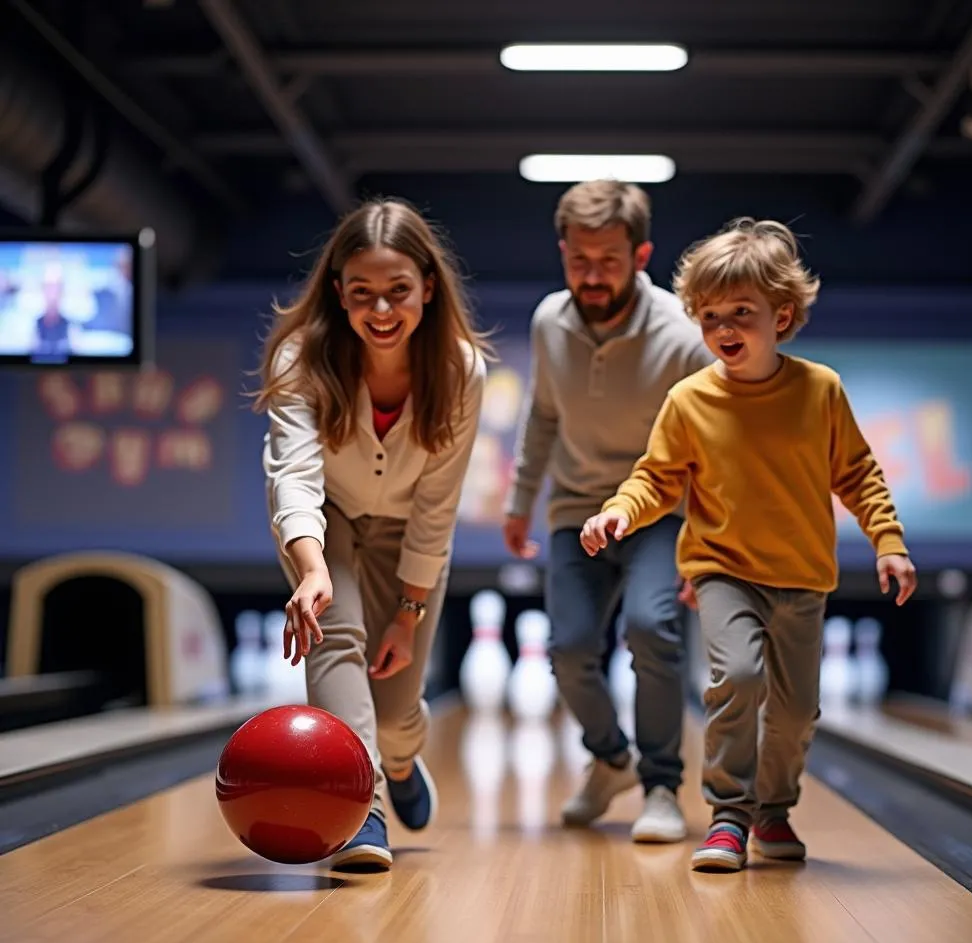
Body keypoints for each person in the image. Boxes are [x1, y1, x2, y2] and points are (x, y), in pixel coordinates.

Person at [581, 217, 917, 871]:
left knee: (793, 714)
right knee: (736, 679)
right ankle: (728, 815)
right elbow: (656, 478)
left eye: (742, 313)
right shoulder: (690, 399)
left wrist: (889, 542)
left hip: (803, 578)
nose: (725, 329)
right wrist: (619, 512)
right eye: (710, 317)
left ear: (782, 314)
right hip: (722, 571)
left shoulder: (820, 391)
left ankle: (773, 810)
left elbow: (858, 475)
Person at [253, 198, 490, 869]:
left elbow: (438, 505)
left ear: (428, 289)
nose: (381, 312)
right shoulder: (303, 357)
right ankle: (364, 812)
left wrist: (409, 615)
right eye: (363, 295)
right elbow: (294, 477)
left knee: (393, 711)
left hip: (408, 533)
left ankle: (403, 761)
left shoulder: (461, 370)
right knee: (337, 644)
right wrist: (312, 570)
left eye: (397, 293)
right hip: (323, 522)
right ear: (338, 293)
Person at [503, 180, 711, 843]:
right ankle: (611, 758)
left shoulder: (682, 334)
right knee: (566, 650)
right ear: (563, 251)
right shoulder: (547, 321)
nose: (592, 277)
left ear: (641, 253)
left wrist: (708, 543)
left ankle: (659, 787)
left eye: (609, 262)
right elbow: (541, 416)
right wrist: (518, 504)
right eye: (578, 261)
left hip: (660, 510)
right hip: (574, 507)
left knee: (653, 631)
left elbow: (714, 446)